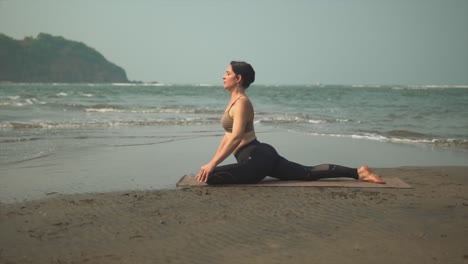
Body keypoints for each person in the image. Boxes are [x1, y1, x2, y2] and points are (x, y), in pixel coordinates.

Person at [196, 61, 385, 185]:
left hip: (257, 157)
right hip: (259, 155)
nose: (223, 76)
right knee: (306, 173)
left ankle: (359, 173)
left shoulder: (242, 103)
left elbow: (237, 137)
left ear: (238, 78)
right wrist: (211, 161)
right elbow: (228, 135)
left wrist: (212, 164)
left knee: (212, 177)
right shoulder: (233, 101)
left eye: (227, 73)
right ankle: (359, 172)